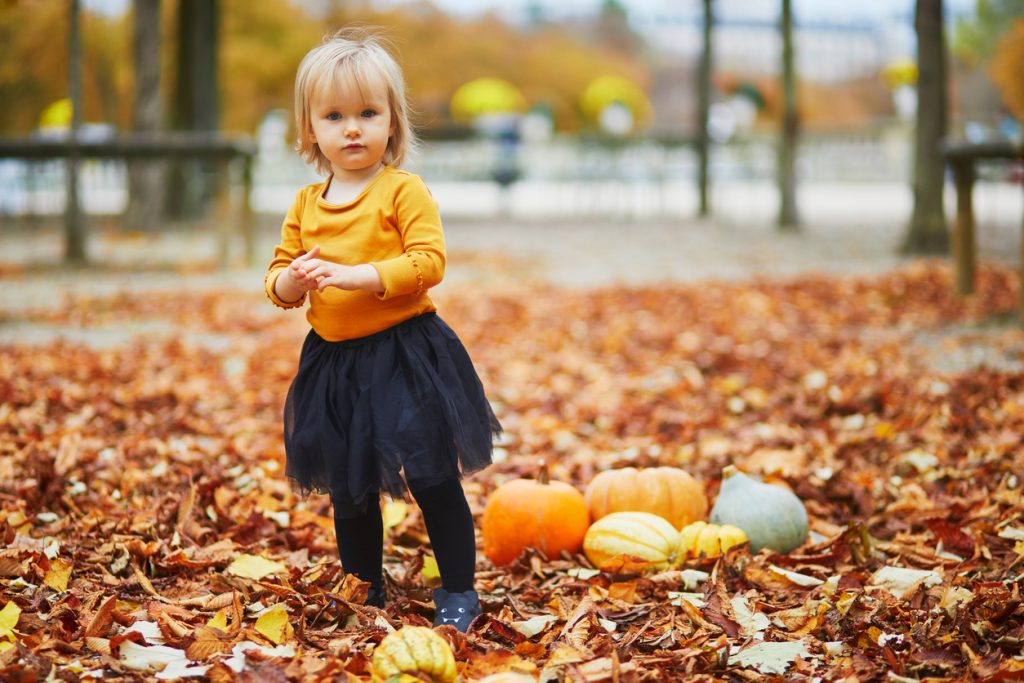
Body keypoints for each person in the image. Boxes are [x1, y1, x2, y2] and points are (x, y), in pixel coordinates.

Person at [264, 28, 501, 633]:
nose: (352, 128)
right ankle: (365, 588)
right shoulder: (305, 204)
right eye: (335, 116)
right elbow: (277, 280)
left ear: (392, 123)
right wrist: (293, 280)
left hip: (405, 356)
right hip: (334, 364)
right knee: (351, 486)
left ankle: (458, 589)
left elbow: (428, 263)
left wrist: (354, 274)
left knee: (430, 475)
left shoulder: (402, 191)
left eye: (368, 113)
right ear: (309, 130)